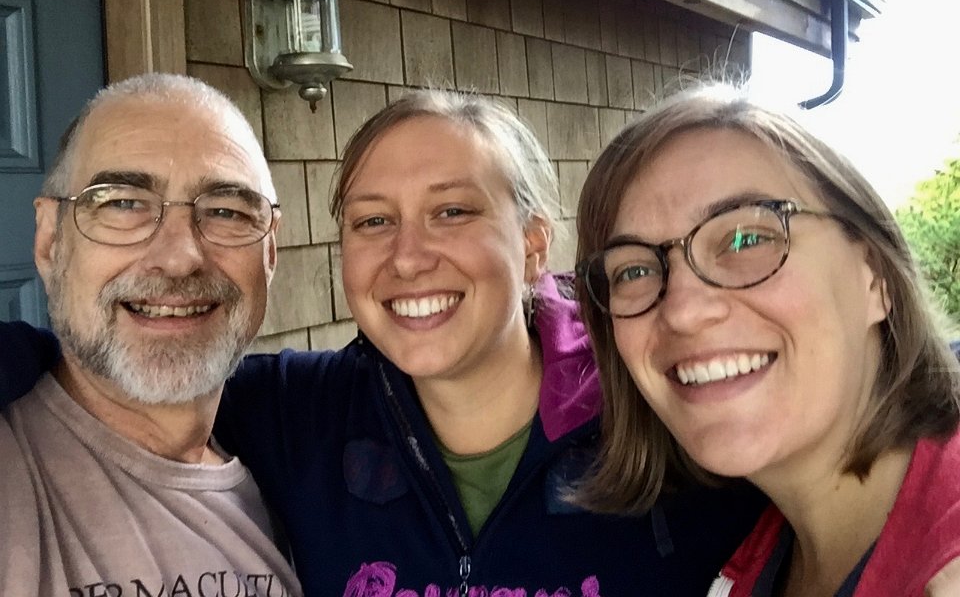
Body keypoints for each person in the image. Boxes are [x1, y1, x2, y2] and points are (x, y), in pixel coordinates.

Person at [3, 87, 765, 596]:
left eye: (452, 212)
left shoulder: (659, 417)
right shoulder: (301, 416)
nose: (408, 257)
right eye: (373, 221)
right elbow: (131, 367)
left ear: (534, 245)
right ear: (48, 238)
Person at [573, 83, 960, 597]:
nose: (684, 311)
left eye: (747, 238)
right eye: (634, 270)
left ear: (876, 279)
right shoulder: (753, 558)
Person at [0, 74, 302, 596]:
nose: (180, 257)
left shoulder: (311, 477)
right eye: (122, 203)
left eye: (226, 211)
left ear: (269, 253)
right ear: (50, 241)